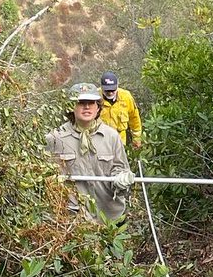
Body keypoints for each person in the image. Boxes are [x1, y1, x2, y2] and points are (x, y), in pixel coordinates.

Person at [47, 82, 133, 222]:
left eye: (91, 102)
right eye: (81, 102)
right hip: (72, 220)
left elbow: (121, 170)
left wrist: (122, 179)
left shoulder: (111, 136)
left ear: (98, 107)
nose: (86, 107)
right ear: (71, 107)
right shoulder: (55, 138)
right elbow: (46, 179)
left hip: (110, 217)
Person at [98, 71, 143, 151]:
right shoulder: (95, 97)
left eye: (113, 90)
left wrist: (136, 139)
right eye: (107, 91)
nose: (110, 93)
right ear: (101, 87)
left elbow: (134, 119)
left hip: (120, 143)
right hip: (100, 142)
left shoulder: (126, 97)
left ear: (117, 86)